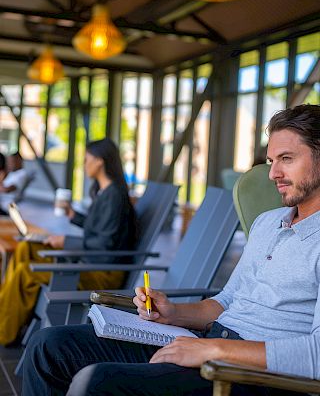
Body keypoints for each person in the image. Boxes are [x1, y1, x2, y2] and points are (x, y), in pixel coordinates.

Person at [23, 105, 320, 396]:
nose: (273, 174)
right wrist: (173, 313)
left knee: (99, 382)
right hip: (208, 340)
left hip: (254, 374)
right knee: (48, 347)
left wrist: (213, 348)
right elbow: (227, 300)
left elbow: (316, 355)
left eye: (287, 159)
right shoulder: (267, 222)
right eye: (271, 161)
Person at [0, 138, 137, 346]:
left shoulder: (115, 196)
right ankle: (6, 311)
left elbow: (105, 244)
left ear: (99, 161)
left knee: (26, 270)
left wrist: (67, 241)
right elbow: (99, 230)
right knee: (27, 246)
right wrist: (73, 215)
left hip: (103, 272)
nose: (84, 164)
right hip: (91, 261)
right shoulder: (104, 192)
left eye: (86, 159)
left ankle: (4, 331)